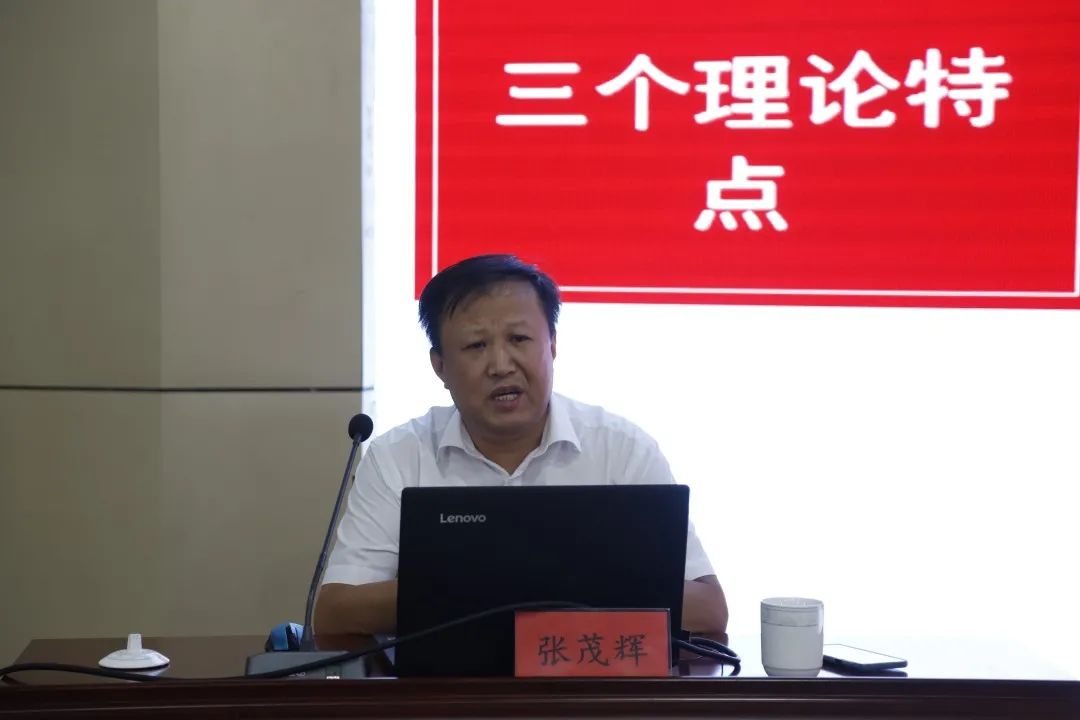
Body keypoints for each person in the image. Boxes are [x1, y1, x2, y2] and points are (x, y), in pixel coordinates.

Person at [314, 254, 728, 636]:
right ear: (439, 366)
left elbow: (707, 608)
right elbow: (336, 612)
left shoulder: (621, 450)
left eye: (519, 339)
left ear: (552, 345)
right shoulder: (398, 456)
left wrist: (502, 585)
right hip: (445, 690)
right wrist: (533, 584)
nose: (501, 365)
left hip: (590, 688)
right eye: (476, 346)